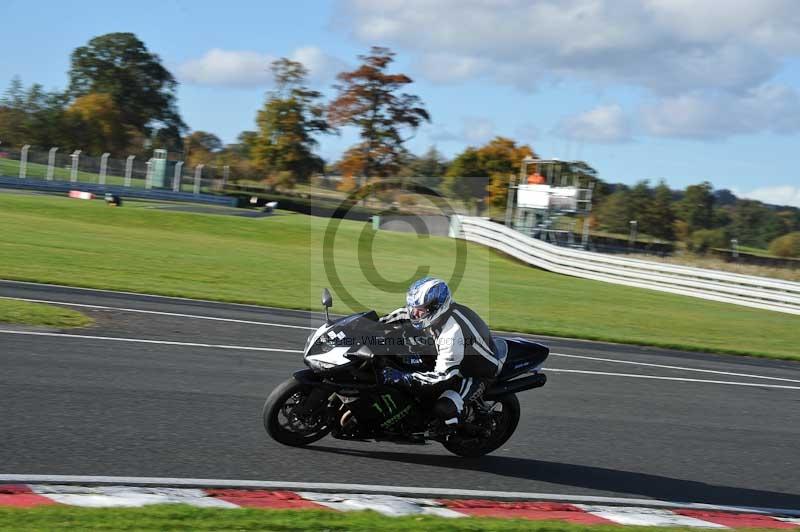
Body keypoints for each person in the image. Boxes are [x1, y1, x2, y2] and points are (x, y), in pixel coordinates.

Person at [379, 277, 503, 426]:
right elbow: (383, 322)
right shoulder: (425, 313)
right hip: (450, 357)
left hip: (474, 373)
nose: (414, 313)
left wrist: (404, 378)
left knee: (444, 408)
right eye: (412, 307)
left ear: (436, 308)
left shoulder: (453, 332)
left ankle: (460, 426)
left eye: (420, 309)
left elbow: (443, 377)